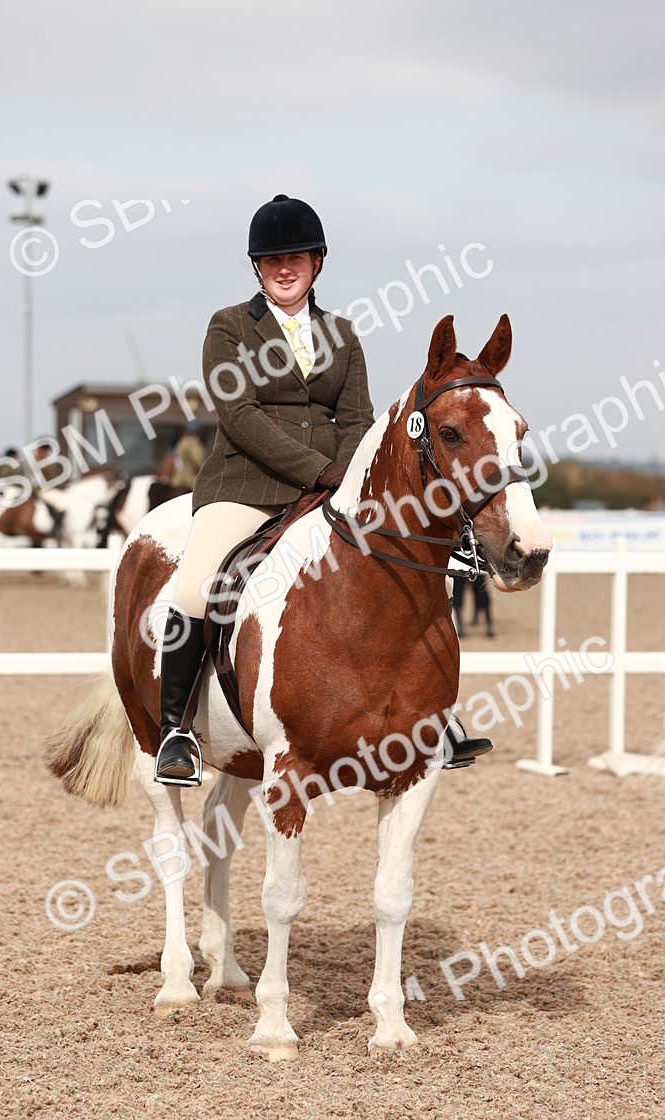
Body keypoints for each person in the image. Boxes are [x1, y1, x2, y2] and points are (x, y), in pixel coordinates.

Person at [155, 194, 489, 786]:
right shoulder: (229, 327)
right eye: (272, 260)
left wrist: (349, 473)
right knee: (197, 584)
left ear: (317, 263)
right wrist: (318, 469)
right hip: (246, 485)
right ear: (257, 267)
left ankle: (432, 715)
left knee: (411, 575)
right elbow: (239, 415)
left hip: (332, 488)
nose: (285, 269)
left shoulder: (342, 333)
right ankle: (174, 730)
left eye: (297, 258)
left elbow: (357, 416)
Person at [158, 421, 207, 492]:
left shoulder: (180, 443)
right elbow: (198, 461)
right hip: (189, 482)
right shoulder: (192, 443)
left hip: (177, 480)